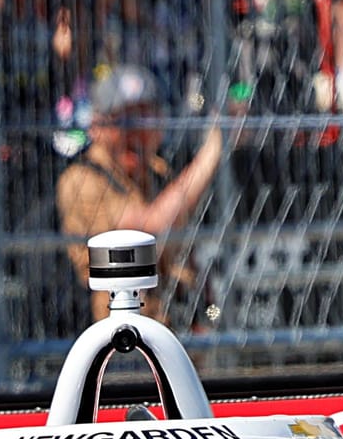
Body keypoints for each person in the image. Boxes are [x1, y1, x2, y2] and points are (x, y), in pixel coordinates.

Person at [55, 63, 226, 324]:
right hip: (120, 337)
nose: (137, 134)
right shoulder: (82, 178)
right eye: (124, 121)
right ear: (98, 125)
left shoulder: (157, 171)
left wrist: (207, 310)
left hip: (174, 331)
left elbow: (186, 255)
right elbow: (144, 234)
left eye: (146, 120)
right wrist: (209, 155)